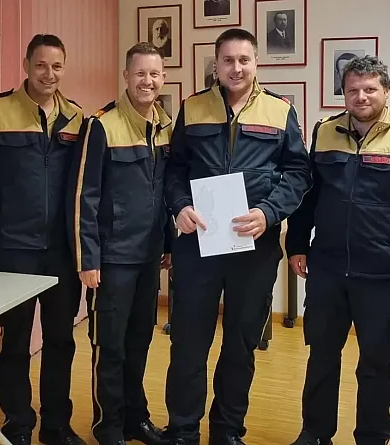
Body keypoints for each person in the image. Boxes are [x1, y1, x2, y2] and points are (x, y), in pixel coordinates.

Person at [285, 55, 390, 445]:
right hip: (327, 271)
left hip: (383, 275)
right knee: (321, 358)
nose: (361, 96)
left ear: (386, 91)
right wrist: (296, 244)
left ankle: (374, 438)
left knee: (377, 364)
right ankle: (315, 433)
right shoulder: (325, 132)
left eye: (369, 89)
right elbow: (308, 196)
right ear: (343, 93)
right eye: (352, 90)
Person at [162, 28, 312, 445]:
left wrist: (269, 213)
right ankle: (183, 430)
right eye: (228, 60)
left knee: (240, 345)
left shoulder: (280, 110)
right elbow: (174, 169)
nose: (236, 68)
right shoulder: (193, 107)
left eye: (244, 60)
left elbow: (299, 173)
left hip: (255, 247)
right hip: (198, 243)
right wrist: (179, 206)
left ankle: (227, 430)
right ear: (217, 64)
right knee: (188, 343)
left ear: (256, 62)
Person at [0, 34, 85, 445]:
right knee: (14, 342)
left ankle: (56, 426)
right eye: (41, 65)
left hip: (62, 252)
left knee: (60, 340)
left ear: (64, 68)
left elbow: (85, 187)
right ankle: (17, 426)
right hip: (14, 248)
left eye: (57, 66)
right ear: (26, 65)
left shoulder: (77, 117)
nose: (49, 74)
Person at [66, 42, 173, 445]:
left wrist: (167, 242)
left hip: (148, 257)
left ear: (163, 78)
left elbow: (165, 191)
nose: (147, 81)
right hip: (111, 260)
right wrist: (87, 258)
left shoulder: (165, 126)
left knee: (139, 341)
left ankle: (135, 419)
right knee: (109, 346)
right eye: (140, 73)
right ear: (126, 76)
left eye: (154, 74)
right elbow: (84, 196)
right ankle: (108, 426)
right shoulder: (102, 125)